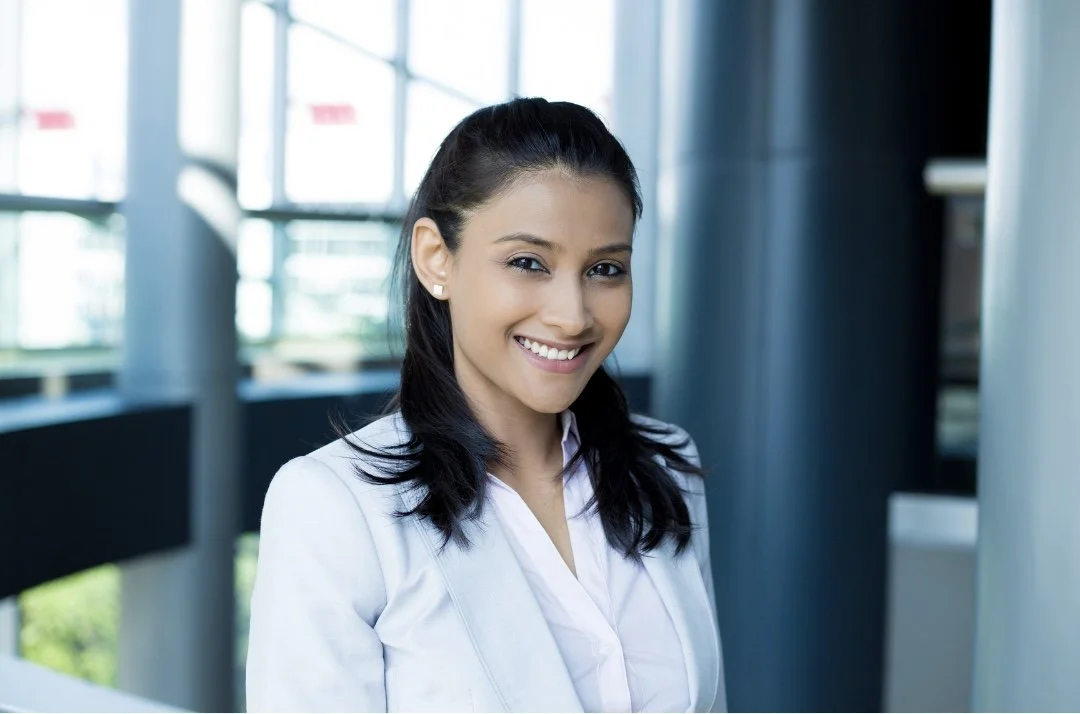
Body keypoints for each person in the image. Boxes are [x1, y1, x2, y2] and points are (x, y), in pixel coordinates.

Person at [245, 97, 726, 713]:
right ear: (435, 258)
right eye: (528, 262)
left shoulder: (666, 468)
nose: (572, 315)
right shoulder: (336, 508)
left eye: (605, 269)